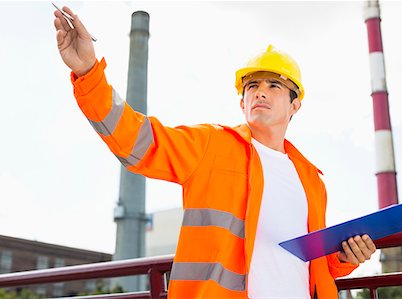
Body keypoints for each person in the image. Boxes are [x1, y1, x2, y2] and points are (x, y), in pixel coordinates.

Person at [54, 6, 376, 299]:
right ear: (242, 102)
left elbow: (309, 265)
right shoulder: (211, 145)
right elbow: (136, 140)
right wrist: (88, 73)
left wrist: (344, 258)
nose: (260, 91)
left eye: (273, 85)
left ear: (295, 105)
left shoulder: (311, 181)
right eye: (252, 86)